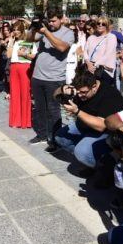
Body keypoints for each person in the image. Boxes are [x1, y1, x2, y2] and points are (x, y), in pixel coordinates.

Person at [52, 68, 123, 174]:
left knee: (82, 152)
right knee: (60, 137)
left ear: (94, 87)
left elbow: (102, 126)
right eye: (77, 92)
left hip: (107, 132)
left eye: (83, 92)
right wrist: (63, 89)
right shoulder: (80, 87)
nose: (79, 95)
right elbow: (55, 95)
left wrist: (77, 111)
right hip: (85, 125)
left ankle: (108, 169)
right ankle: (93, 163)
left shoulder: (110, 95)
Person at [29, 10, 75, 146]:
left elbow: (61, 47)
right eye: (49, 21)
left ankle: (55, 140)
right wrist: (33, 28)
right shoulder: (45, 29)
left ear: (61, 19)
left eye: (54, 20)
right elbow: (29, 39)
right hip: (37, 76)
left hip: (54, 78)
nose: (51, 23)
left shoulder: (68, 33)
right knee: (39, 108)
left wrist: (46, 32)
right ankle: (42, 135)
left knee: (53, 110)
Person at [7, 21, 34, 128]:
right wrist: (11, 41)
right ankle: (15, 121)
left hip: (25, 67)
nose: (16, 31)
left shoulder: (28, 40)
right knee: (14, 94)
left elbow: (33, 56)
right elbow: (9, 55)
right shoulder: (14, 41)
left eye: (18, 29)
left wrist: (24, 53)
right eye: (14, 29)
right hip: (14, 67)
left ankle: (25, 122)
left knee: (25, 93)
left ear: (22, 30)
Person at [84, 16, 118, 85]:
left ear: (107, 26)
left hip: (103, 70)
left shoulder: (111, 37)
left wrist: (94, 65)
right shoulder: (91, 37)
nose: (100, 25)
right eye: (98, 23)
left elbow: (108, 54)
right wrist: (88, 63)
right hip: (90, 68)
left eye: (103, 24)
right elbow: (85, 51)